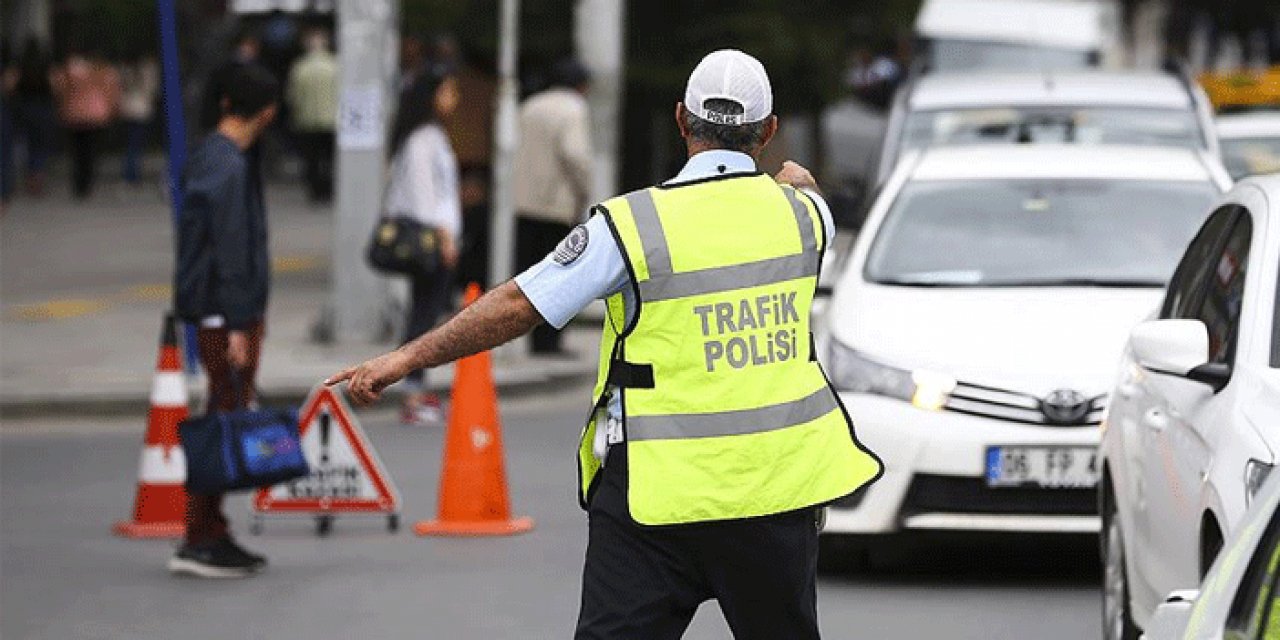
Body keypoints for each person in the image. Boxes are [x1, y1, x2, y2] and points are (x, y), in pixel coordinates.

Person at [327, 49, 884, 639]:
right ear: (769, 132)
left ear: (680, 120)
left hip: (654, 498)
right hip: (774, 495)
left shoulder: (632, 226)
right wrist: (797, 180)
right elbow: (804, 189)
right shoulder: (804, 217)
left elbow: (520, 304)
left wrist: (407, 356)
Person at [171, 64, 279, 579]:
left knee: (223, 412)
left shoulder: (213, 156)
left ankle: (210, 529)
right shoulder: (229, 166)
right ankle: (202, 535)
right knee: (222, 418)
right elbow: (231, 249)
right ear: (267, 112)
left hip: (217, 310)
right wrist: (239, 323)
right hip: (225, 314)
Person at [383, 62, 463, 426]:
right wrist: (444, 237)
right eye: (448, 90)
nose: (454, 98)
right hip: (430, 240)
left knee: (426, 312)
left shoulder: (431, 135)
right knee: (424, 315)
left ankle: (416, 388)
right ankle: (412, 391)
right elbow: (424, 197)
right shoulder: (422, 139)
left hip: (436, 238)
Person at [512, 58, 594, 355]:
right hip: (557, 205)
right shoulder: (574, 109)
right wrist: (584, 190)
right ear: (581, 85)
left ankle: (532, 338)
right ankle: (550, 342)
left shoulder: (530, 106)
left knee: (530, 274)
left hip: (524, 202)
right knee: (560, 276)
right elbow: (575, 154)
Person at [51, 45, 119, 199]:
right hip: (96, 115)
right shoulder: (103, 71)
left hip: (73, 115)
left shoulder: (70, 70)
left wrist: (62, 107)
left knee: (77, 152)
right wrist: (112, 110)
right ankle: (87, 183)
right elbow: (112, 92)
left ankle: (79, 183)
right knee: (91, 152)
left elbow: (59, 89)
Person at [286, 28, 338, 203]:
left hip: (307, 121)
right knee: (330, 158)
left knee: (312, 159)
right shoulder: (335, 66)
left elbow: (293, 96)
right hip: (332, 120)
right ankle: (328, 189)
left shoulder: (300, 67)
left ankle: (316, 190)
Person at [10, 37, 56, 198]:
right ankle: (37, 178)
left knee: (27, 144)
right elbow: (53, 86)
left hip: (25, 107)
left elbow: (12, 87)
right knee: (40, 146)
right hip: (42, 107)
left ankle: (29, 177)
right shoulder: (45, 66)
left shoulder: (21, 66)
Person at [118, 52, 159, 187]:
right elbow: (152, 90)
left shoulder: (124, 70)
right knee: (136, 145)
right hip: (142, 110)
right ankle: (133, 174)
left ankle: (129, 173)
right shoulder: (148, 70)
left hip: (128, 110)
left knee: (131, 144)